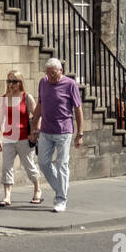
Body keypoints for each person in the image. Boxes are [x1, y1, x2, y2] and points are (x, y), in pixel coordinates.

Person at [29, 58, 82, 212]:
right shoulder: (43, 83)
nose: (50, 77)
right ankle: (61, 189)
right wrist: (34, 126)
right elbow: (40, 104)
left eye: (53, 73)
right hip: (46, 130)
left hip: (64, 131)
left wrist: (80, 133)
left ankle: (61, 199)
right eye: (48, 73)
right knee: (44, 163)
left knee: (62, 164)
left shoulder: (70, 85)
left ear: (61, 71)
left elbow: (78, 109)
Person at [0, 69, 42, 207]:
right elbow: (1, 119)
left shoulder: (27, 97)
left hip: (24, 137)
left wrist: (35, 132)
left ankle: (37, 189)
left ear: (20, 82)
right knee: (7, 167)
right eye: (9, 81)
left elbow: (37, 115)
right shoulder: (3, 98)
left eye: (14, 81)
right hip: (8, 138)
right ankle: (7, 196)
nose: (11, 84)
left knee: (29, 166)